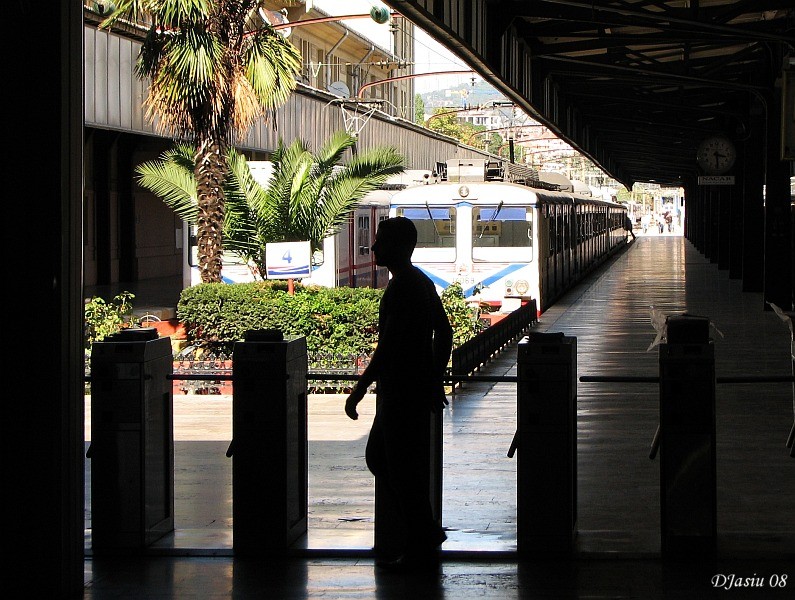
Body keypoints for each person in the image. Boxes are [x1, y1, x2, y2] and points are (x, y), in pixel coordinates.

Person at [345, 216, 453, 570]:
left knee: (392, 465)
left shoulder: (403, 287)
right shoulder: (420, 281)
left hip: (401, 395)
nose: (373, 247)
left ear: (398, 247)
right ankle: (423, 532)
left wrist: (359, 389)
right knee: (393, 464)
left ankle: (421, 538)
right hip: (412, 391)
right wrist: (434, 379)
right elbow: (446, 333)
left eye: (380, 241)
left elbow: (387, 347)